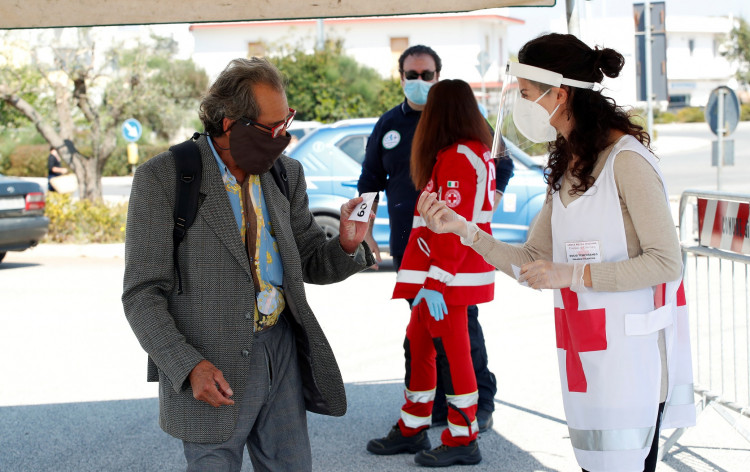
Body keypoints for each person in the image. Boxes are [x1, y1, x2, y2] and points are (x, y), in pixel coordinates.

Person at [417, 33, 695, 472]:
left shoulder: (626, 160)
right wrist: (464, 231)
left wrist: (573, 276)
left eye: (527, 96)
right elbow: (532, 261)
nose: (524, 108)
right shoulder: (569, 163)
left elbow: (666, 262)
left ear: (559, 94)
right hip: (586, 355)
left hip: (632, 363)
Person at [122, 57, 375, 472]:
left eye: (286, 123)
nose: (284, 138)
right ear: (229, 123)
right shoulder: (164, 179)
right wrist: (189, 367)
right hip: (209, 368)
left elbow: (309, 259)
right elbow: (141, 295)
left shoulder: (285, 175)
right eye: (272, 129)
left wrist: (346, 243)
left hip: (281, 351)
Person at [357, 44, 512, 433]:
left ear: (438, 78)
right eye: (413, 75)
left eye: (427, 76)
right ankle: (425, 414)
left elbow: (499, 163)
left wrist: (486, 204)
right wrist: (363, 228)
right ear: (402, 77)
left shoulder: (463, 126)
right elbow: (369, 183)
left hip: (451, 255)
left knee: (460, 333)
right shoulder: (389, 125)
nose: (420, 82)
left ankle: (475, 408)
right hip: (412, 248)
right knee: (421, 335)